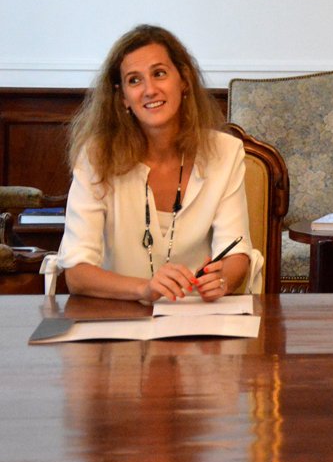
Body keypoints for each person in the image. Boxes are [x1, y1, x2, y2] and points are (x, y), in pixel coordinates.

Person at [57, 25, 260, 302]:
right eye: (134, 80)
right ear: (123, 97)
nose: (150, 90)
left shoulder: (224, 152)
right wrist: (145, 289)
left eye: (159, 74)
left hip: (198, 313)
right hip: (119, 312)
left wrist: (222, 280)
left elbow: (236, 251)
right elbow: (77, 273)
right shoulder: (96, 156)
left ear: (184, 80)